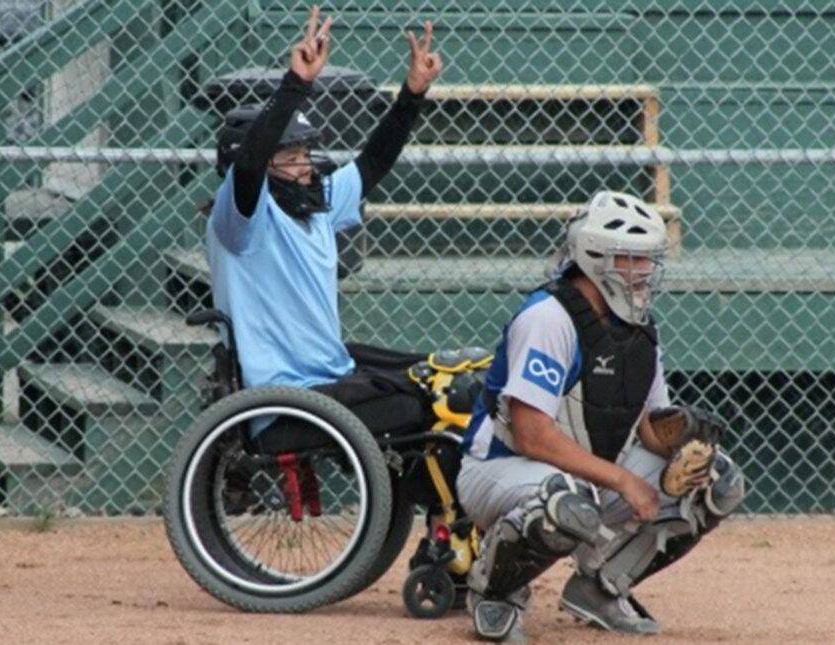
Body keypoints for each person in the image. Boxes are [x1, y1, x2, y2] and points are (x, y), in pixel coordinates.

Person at [456, 190, 746, 641]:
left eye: (648, 260)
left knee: (717, 483)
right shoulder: (548, 318)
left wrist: (683, 443)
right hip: (499, 469)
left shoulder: (638, 326)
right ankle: (493, 592)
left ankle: (601, 585)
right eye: (633, 259)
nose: (646, 272)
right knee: (567, 501)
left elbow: (649, 430)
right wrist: (623, 480)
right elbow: (532, 435)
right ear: (596, 258)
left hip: (585, 474)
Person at [205, 5, 444, 439]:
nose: (304, 168)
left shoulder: (316, 203)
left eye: (305, 156)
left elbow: (373, 161)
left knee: (443, 377)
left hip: (331, 371)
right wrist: (296, 84)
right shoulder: (241, 221)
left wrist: (412, 94)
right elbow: (251, 164)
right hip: (285, 397)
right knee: (413, 405)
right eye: (290, 158)